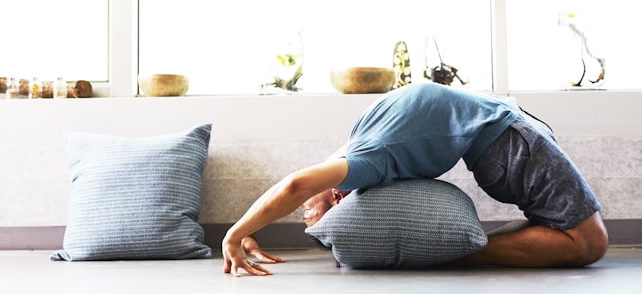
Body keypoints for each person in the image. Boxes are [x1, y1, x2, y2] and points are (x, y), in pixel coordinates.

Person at [222, 82, 608, 276]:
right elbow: (298, 186)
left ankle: (463, 252)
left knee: (586, 242)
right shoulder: (360, 142)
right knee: (587, 240)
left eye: (308, 215)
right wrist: (252, 225)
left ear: (338, 196)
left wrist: (236, 232)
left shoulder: (364, 157)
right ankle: (463, 251)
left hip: (509, 139)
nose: (305, 217)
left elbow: (294, 185)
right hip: (508, 137)